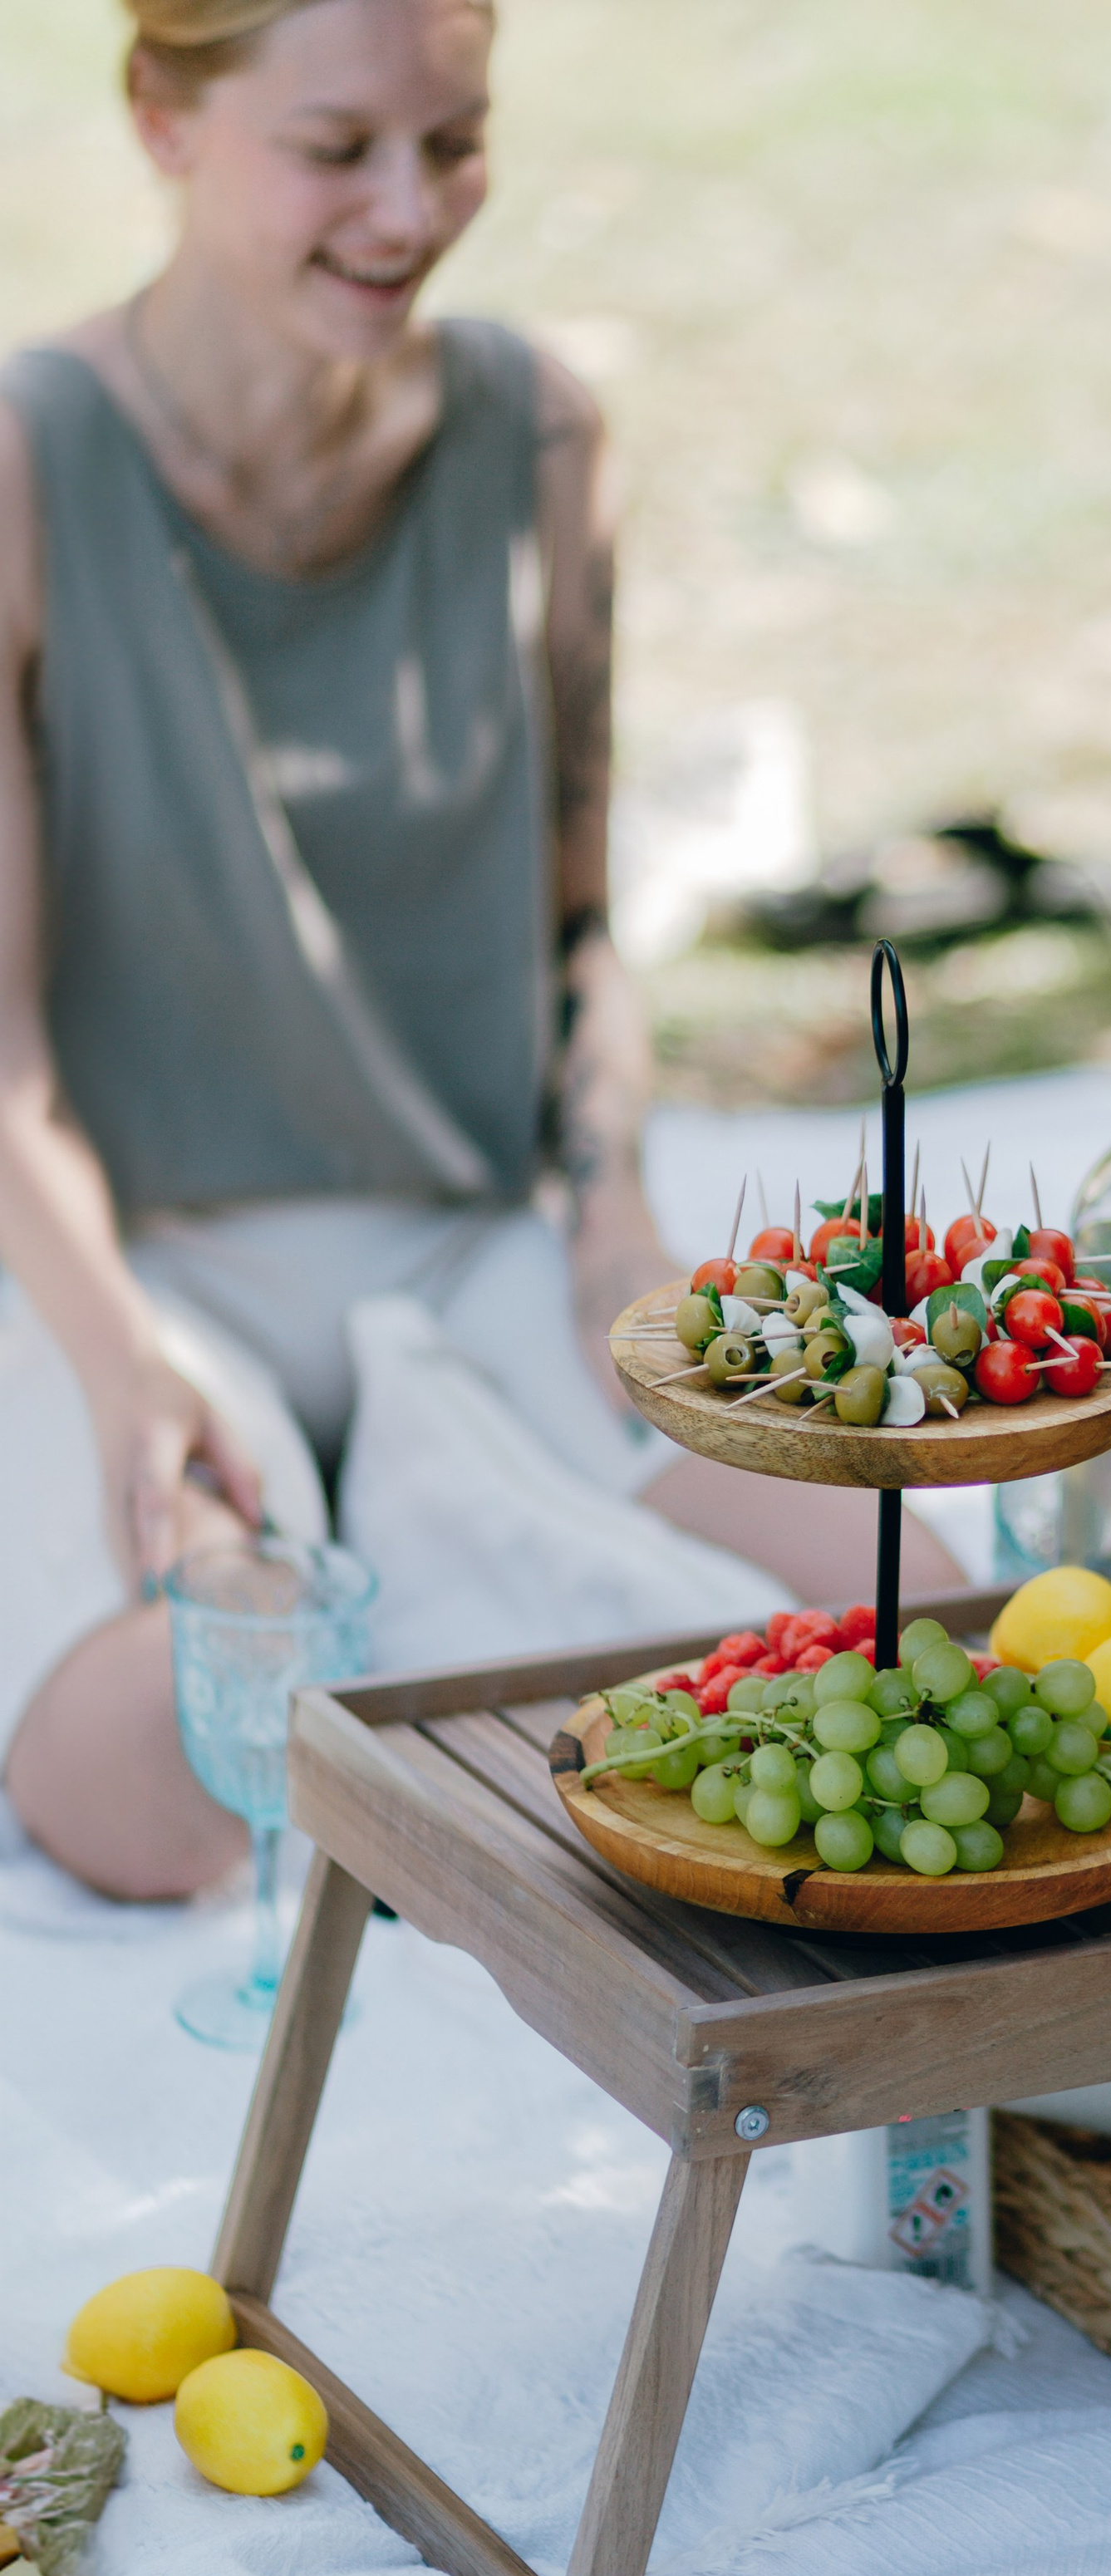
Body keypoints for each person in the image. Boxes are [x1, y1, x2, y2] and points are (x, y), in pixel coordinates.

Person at [0, 0, 954, 1901]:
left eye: (454, 140)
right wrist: (121, 1372)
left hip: (469, 1226)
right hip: (140, 1252)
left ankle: (439, 1531)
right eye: (336, 145)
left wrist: (616, 1222)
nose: (407, 208)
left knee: (917, 1604)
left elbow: (581, 917)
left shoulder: (537, 430)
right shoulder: (27, 468)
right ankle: (403, 1545)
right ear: (162, 118)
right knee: (156, 1801)